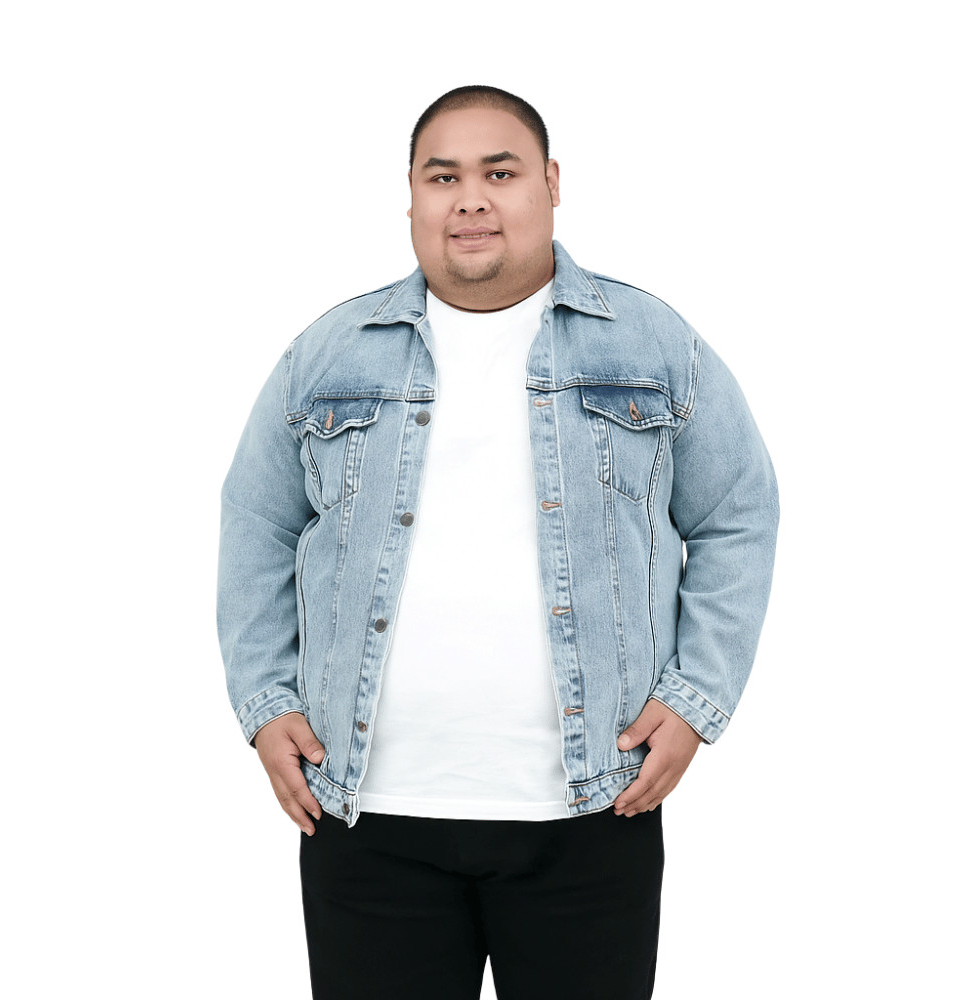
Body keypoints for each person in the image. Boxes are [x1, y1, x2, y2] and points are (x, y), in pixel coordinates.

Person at [218, 85, 779, 1000]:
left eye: (500, 173)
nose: (470, 199)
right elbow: (256, 525)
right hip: (365, 817)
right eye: (443, 177)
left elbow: (738, 514)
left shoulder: (652, 343)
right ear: (411, 196)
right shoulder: (329, 353)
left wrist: (695, 699)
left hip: (592, 812)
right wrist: (265, 701)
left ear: (551, 184)